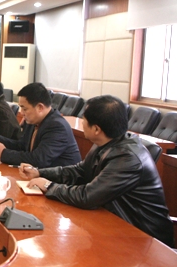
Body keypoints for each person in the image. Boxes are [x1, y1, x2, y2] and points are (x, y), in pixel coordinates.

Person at [22, 95, 174, 247]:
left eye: (84, 119)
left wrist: (48, 186)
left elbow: (87, 196)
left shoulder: (128, 158)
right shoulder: (105, 142)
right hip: (115, 224)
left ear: (96, 129)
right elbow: (80, 171)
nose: (82, 122)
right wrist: (40, 172)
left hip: (145, 239)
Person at [0, 82, 81, 167]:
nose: (21, 112)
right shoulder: (33, 120)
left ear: (40, 107)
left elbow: (39, 159)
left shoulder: (57, 127)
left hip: (58, 179)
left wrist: (4, 153)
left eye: (25, 108)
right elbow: (22, 146)